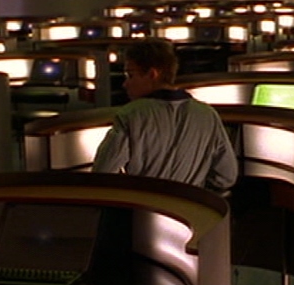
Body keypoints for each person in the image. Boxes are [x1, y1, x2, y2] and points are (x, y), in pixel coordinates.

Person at [92, 37, 238, 192]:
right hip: (191, 204)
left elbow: (102, 175)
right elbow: (226, 177)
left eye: (130, 75)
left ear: (152, 74)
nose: (125, 84)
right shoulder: (208, 115)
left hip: (145, 205)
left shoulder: (130, 115)